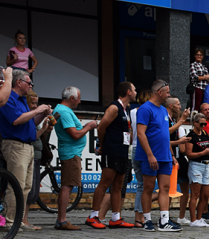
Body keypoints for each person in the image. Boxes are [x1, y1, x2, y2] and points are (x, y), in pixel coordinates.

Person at [0, 70, 50, 227]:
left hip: (27, 146)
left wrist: (42, 115)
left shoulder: (22, 100)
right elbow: (16, 120)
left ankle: (18, 220)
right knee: (16, 183)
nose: (31, 86)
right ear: (18, 82)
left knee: (26, 186)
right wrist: (37, 110)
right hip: (15, 145)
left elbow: (30, 122)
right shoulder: (8, 98)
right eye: (29, 83)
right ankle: (10, 221)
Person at [86, 81, 137, 229]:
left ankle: (116, 217)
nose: (135, 92)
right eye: (134, 90)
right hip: (112, 150)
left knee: (118, 185)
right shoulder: (114, 107)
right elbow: (101, 127)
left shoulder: (125, 109)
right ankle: (93, 216)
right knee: (105, 182)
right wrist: (103, 145)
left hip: (123, 151)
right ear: (128, 92)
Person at [135, 79, 182, 232]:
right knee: (148, 188)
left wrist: (171, 155)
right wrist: (150, 155)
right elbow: (141, 134)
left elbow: (164, 134)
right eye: (167, 92)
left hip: (164, 156)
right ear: (159, 92)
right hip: (151, 156)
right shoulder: (145, 109)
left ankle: (164, 220)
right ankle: (147, 220)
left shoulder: (163, 110)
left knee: (165, 188)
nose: (169, 94)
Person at [52, 86, 97, 230]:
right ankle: (62, 220)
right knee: (67, 186)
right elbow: (75, 134)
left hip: (71, 152)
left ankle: (62, 219)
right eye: (78, 97)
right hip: (70, 153)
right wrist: (89, 126)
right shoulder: (64, 111)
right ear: (72, 98)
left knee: (68, 185)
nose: (80, 101)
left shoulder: (64, 110)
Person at [22, 89, 50, 231]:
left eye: (36, 103)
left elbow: (35, 135)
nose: (35, 106)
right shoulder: (27, 117)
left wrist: (44, 129)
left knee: (32, 190)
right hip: (28, 155)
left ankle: (25, 219)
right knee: (28, 189)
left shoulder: (34, 119)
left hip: (36, 156)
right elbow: (30, 137)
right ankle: (22, 219)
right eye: (33, 103)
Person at [185, 112, 209, 227]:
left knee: (205, 195)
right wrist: (203, 152)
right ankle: (193, 219)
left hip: (206, 164)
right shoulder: (191, 136)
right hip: (196, 165)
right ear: (195, 123)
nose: (203, 126)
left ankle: (199, 217)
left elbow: (208, 146)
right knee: (195, 194)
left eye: (205, 124)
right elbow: (189, 154)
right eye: (201, 124)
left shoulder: (204, 133)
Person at [165, 97, 192, 224]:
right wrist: (181, 142)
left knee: (175, 188)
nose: (180, 106)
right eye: (178, 104)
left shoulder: (175, 124)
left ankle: (170, 215)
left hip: (177, 158)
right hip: (174, 157)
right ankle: (169, 215)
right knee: (171, 189)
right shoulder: (177, 125)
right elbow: (182, 149)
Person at [130, 89, 152, 227]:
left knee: (140, 185)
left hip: (134, 147)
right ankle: (140, 217)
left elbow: (132, 131)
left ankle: (139, 216)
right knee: (145, 186)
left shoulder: (132, 112)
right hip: (144, 148)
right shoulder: (148, 111)